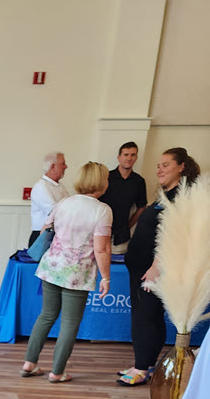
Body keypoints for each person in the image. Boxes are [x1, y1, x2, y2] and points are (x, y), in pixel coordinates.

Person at [21, 161, 112, 382]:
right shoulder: (102, 210)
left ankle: (29, 363)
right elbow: (101, 249)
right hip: (76, 274)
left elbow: (44, 230)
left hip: (51, 267)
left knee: (46, 315)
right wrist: (106, 277)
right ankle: (57, 372)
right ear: (100, 183)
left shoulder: (63, 203)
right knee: (70, 323)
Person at [117, 147, 201, 386]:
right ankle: (146, 364)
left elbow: (174, 237)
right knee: (145, 315)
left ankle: (141, 369)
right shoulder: (166, 194)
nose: (159, 169)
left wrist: (157, 267)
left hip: (154, 270)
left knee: (146, 317)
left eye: (166, 164)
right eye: (158, 165)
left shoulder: (181, 197)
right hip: (140, 267)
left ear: (181, 167)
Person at [99, 141, 147, 254]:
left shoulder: (139, 181)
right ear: (119, 157)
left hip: (122, 235)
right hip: (101, 231)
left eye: (133, 155)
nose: (129, 158)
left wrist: (128, 225)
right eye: (126, 154)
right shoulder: (106, 177)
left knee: (117, 268)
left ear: (136, 157)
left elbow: (142, 206)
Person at [29, 151, 68, 246]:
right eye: (62, 163)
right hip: (42, 236)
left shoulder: (60, 186)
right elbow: (55, 211)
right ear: (53, 166)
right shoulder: (41, 186)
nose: (66, 166)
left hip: (55, 234)